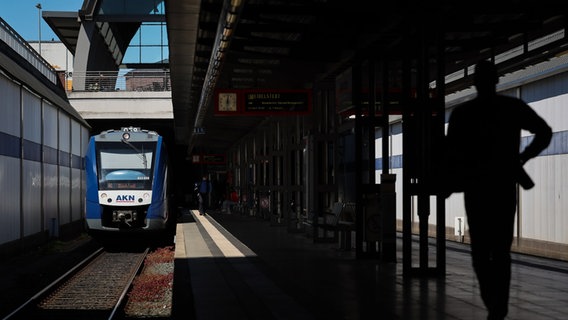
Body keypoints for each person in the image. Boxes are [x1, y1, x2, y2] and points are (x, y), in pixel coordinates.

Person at [445, 60, 552, 320]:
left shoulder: (463, 113)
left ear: (475, 82)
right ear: (497, 80)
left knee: (480, 252)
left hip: (476, 188)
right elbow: (544, 133)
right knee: (501, 252)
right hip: (504, 187)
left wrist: (447, 183)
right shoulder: (512, 108)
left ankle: (493, 304)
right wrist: (523, 157)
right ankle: (498, 308)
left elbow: (450, 155)